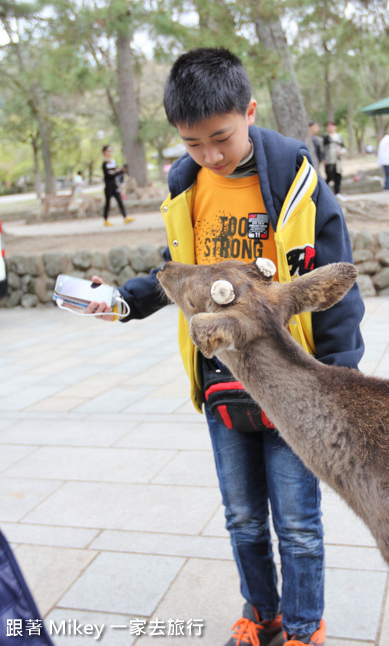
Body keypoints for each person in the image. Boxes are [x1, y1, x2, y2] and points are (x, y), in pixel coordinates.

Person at [89, 48, 365, 646]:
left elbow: (335, 283)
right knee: (242, 518)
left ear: (250, 112)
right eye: (193, 144)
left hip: (294, 384)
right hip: (222, 382)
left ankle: (301, 625)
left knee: (297, 523)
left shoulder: (294, 176)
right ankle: (259, 611)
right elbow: (178, 270)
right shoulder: (187, 188)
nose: (210, 155)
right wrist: (124, 300)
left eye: (222, 137)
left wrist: (341, 374)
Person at [101, 145, 135, 227]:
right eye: (108, 151)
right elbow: (108, 175)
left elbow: (117, 173)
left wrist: (122, 171)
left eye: (110, 151)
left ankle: (125, 217)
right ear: (104, 152)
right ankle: (106, 220)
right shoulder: (104, 163)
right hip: (108, 186)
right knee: (108, 203)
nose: (110, 153)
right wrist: (117, 171)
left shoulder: (113, 162)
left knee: (120, 201)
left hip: (114, 186)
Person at [322, 122, 346, 196]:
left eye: (332, 126)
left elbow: (344, 147)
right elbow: (322, 149)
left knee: (338, 176)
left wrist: (341, 152)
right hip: (328, 160)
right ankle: (326, 192)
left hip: (337, 160)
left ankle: (337, 192)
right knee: (329, 176)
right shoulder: (325, 137)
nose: (331, 128)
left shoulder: (339, 137)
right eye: (329, 127)